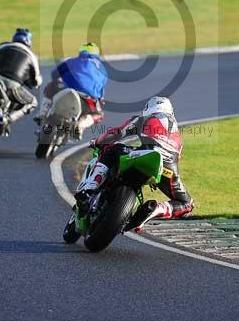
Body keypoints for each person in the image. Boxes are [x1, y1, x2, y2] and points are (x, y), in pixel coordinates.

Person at [75, 96, 194, 233]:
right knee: (187, 203)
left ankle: (90, 188)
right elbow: (176, 157)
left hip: (148, 152)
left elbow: (117, 133)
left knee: (112, 148)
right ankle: (156, 209)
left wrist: (98, 142)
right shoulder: (177, 132)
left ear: (148, 109)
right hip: (168, 168)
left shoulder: (143, 119)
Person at [34, 42, 106, 140]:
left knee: (51, 85)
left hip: (66, 90)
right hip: (87, 98)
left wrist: (60, 81)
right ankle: (81, 125)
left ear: (81, 52)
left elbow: (54, 74)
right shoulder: (102, 70)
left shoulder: (72, 61)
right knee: (99, 114)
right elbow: (101, 93)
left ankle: (42, 113)